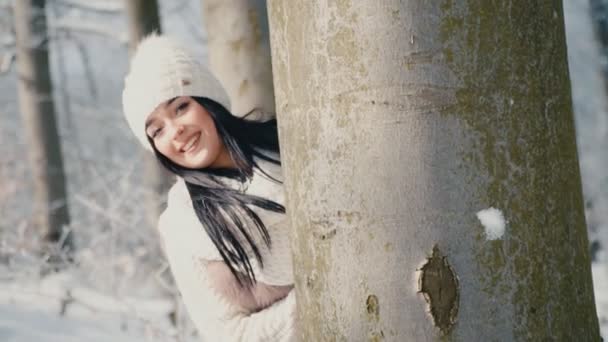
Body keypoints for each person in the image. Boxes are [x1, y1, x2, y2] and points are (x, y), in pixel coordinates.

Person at [122, 34, 296, 341]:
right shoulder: (184, 228)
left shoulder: (291, 143)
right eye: (157, 130)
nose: (176, 130)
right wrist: (319, 296)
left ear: (208, 102)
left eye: (180, 107)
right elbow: (230, 334)